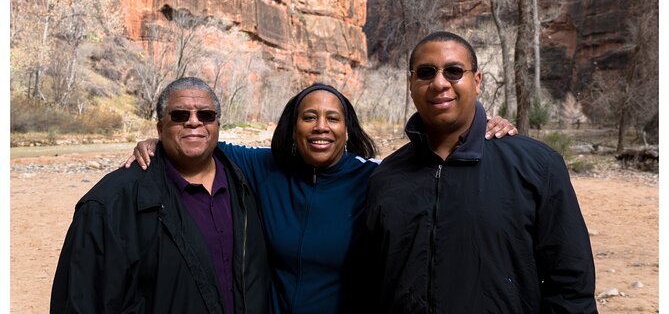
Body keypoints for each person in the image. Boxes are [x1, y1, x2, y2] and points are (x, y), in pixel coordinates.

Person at [125, 83, 517, 313]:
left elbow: (438, 169)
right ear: (292, 126)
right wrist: (158, 140)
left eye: (333, 118)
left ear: (348, 129)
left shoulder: (377, 178)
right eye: (309, 116)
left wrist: (483, 126)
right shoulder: (264, 168)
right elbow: (200, 139)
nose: (321, 127)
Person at [363, 31, 597, 313]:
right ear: (410, 84)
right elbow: (372, 282)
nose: (439, 83)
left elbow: (572, 287)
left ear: (476, 82)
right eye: (426, 73)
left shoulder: (537, 166)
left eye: (454, 71)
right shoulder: (385, 178)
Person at [51, 77, 270, 313]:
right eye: (179, 115)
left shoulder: (246, 184)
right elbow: (81, 300)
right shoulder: (110, 203)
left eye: (205, 115)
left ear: (217, 124)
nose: (194, 122)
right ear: (160, 128)